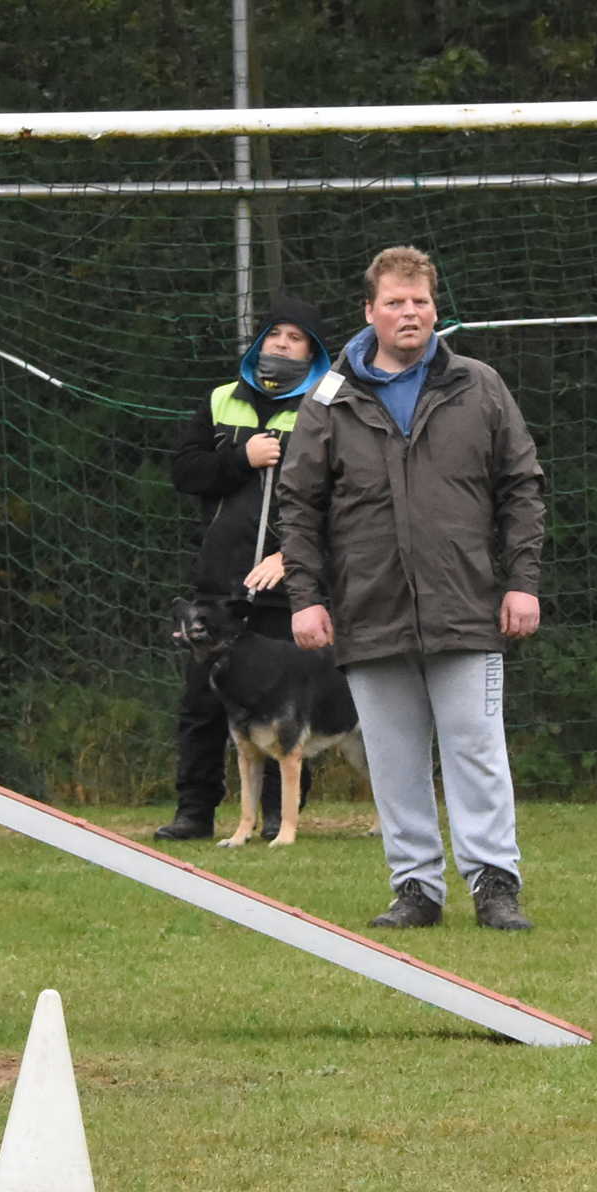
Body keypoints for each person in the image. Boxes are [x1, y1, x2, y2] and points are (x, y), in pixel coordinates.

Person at [277, 247, 545, 930]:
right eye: (395, 302)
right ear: (369, 311)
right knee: (394, 762)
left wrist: (522, 583)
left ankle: (494, 884)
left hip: (467, 605)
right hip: (368, 609)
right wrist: (306, 598)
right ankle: (416, 889)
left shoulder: (479, 385)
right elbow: (299, 506)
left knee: (477, 751)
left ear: (435, 309)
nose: (409, 313)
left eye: (420, 301)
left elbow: (521, 487)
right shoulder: (328, 399)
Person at [155, 293, 332, 842]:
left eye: (295, 338)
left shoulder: (329, 406)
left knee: (285, 707)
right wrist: (240, 459)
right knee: (202, 705)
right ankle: (195, 812)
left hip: (285, 589)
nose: (282, 344)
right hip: (217, 587)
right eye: (275, 334)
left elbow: (345, 497)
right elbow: (185, 472)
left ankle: (280, 816)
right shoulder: (220, 400)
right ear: (259, 342)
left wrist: (293, 555)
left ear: (313, 351)